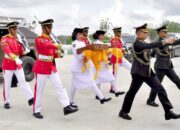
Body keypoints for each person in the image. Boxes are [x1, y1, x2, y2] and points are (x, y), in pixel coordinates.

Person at [119, 23, 180, 120]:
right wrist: (165, 42)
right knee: (132, 93)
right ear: (139, 34)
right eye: (145, 32)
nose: (147, 34)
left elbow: (150, 50)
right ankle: (123, 111)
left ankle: (168, 112)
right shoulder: (137, 43)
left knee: (160, 89)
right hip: (138, 73)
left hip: (148, 72)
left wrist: (168, 41)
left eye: (147, 32)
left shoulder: (143, 42)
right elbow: (149, 46)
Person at [32, 19, 78, 119]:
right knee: (39, 90)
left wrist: (60, 53)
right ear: (43, 28)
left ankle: (66, 107)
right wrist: (57, 45)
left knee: (60, 87)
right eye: (48, 27)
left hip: (51, 66)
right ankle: (36, 110)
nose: (50, 29)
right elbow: (45, 46)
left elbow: (53, 53)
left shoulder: (50, 39)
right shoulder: (39, 39)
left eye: (51, 27)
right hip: (41, 67)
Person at [69, 28, 111, 108]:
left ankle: (101, 98)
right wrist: (86, 52)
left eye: (81, 34)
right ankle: (71, 101)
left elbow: (88, 51)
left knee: (90, 83)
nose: (81, 36)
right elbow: (78, 56)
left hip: (84, 67)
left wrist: (90, 51)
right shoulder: (74, 44)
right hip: (77, 68)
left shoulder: (82, 43)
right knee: (75, 85)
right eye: (79, 34)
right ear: (75, 35)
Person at [0, 21, 33, 109]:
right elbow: (6, 50)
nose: (15, 30)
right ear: (9, 29)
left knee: (23, 80)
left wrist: (24, 51)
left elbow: (20, 50)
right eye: (13, 28)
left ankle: (31, 98)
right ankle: (6, 101)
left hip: (17, 64)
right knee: (7, 84)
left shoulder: (18, 39)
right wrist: (15, 58)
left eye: (16, 28)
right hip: (8, 64)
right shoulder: (4, 38)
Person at [146, 25, 180, 107]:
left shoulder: (161, 41)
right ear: (160, 33)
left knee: (176, 79)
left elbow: (153, 52)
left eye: (166, 32)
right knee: (157, 84)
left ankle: (150, 100)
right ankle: (150, 100)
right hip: (160, 67)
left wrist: (150, 55)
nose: (166, 33)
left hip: (168, 65)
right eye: (164, 32)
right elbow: (174, 42)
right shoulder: (160, 41)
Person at [92, 30, 123, 98]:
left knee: (111, 78)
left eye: (103, 35)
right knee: (98, 81)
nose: (103, 36)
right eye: (102, 35)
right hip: (98, 65)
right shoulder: (95, 43)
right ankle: (98, 95)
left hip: (104, 65)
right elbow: (101, 48)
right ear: (98, 36)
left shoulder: (102, 43)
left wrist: (111, 50)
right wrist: (111, 46)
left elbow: (106, 52)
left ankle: (116, 91)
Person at [109, 27, 132, 94]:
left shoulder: (120, 39)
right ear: (115, 33)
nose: (120, 33)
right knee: (115, 74)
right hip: (115, 58)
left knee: (131, 67)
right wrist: (123, 49)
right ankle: (112, 89)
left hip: (121, 58)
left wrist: (124, 50)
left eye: (120, 32)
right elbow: (115, 48)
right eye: (118, 32)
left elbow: (122, 48)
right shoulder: (113, 40)